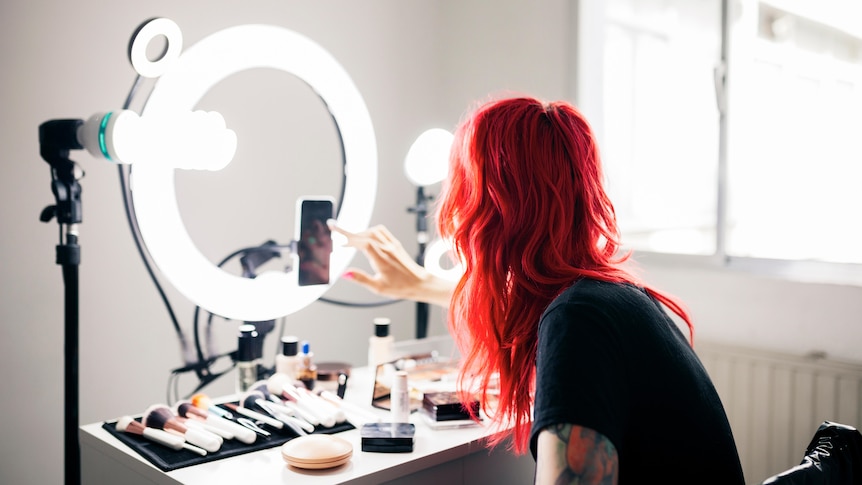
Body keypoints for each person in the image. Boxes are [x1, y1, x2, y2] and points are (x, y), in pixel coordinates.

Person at [330, 95, 745, 484]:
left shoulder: (578, 323)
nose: (454, 214)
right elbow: (515, 300)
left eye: (462, 192)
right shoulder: (608, 299)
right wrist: (418, 283)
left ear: (491, 211)